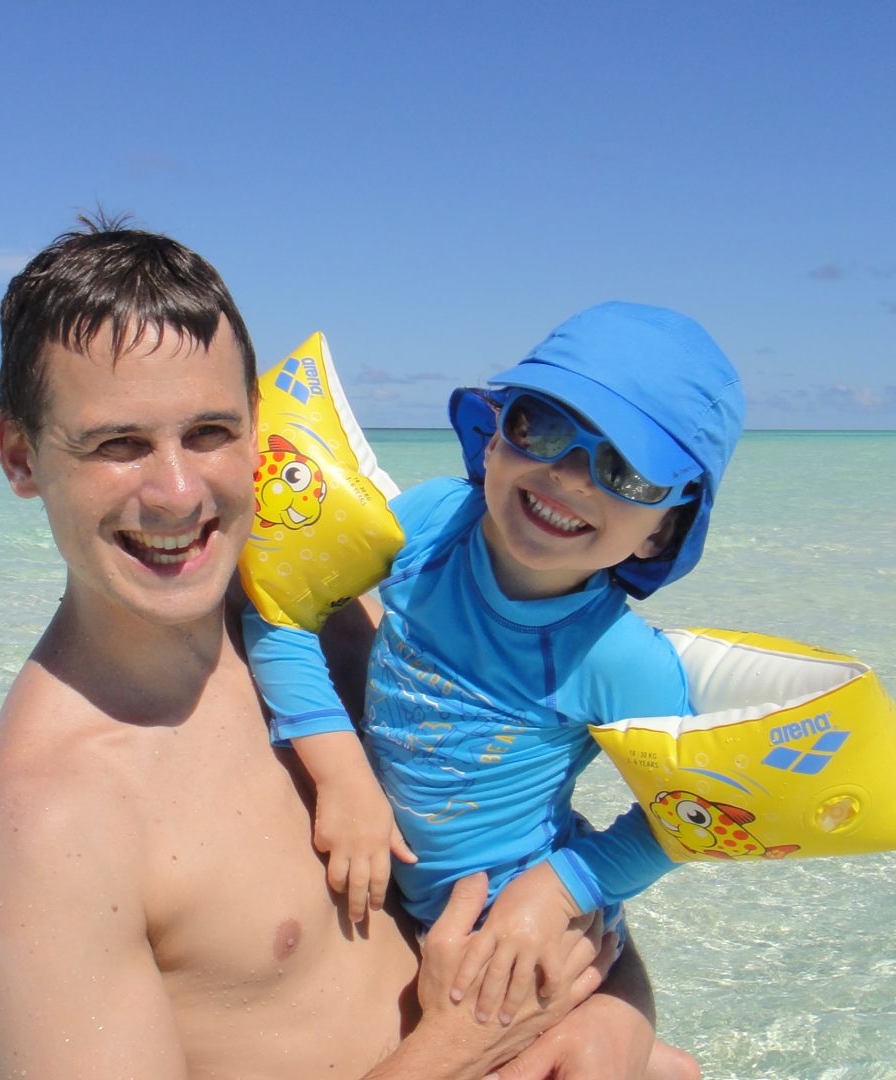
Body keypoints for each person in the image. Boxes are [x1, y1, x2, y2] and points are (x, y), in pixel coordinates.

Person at [0, 218, 698, 1078]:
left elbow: (526, 881)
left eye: (209, 432)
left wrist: (614, 1024)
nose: (174, 493)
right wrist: (456, 1048)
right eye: (118, 444)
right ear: (20, 454)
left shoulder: (340, 621)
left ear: (257, 430)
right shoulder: (57, 818)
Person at [244, 302, 743, 1027]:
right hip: (409, 902)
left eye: (625, 471)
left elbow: (694, 814)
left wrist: (565, 888)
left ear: (661, 530)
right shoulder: (432, 525)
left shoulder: (620, 659)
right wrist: (341, 772)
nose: (568, 476)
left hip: (519, 929)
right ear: (494, 439)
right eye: (540, 426)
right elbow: (282, 607)